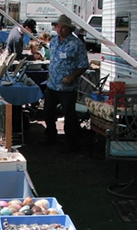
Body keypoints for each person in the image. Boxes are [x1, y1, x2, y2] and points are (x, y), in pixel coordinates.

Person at [42, 14, 89, 152]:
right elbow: (54, 59)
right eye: (58, 27)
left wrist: (72, 76)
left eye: (63, 27)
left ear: (69, 29)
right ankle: (50, 137)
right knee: (48, 112)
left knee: (69, 115)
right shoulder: (54, 40)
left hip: (67, 86)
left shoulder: (77, 44)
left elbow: (84, 64)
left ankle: (72, 143)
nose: (60, 30)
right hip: (52, 84)